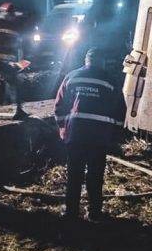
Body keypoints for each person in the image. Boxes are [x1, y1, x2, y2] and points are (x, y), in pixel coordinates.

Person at [54, 48, 126, 221]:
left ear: (86, 60)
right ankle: (94, 212)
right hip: (99, 137)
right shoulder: (111, 80)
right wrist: (114, 134)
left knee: (74, 174)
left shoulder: (71, 76)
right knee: (95, 175)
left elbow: (59, 105)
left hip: (76, 134)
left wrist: (62, 127)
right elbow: (120, 110)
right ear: (102, 62)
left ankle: (70, 212)